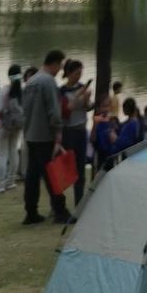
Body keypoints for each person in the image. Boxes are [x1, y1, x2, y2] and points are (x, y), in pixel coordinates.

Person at [21, 49, 70, 226]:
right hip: (44, 135)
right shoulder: (48, 82)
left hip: (30, 135)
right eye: (60, 66)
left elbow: (24, 110)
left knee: (32, 175)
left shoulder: (31, 81)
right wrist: (58, 133)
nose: (60, 70)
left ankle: (31, 211)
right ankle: (60, 211)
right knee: (52, 174)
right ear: (55, 63)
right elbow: (54, 112)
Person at [59, 60, 92, 209]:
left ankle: (79, 204)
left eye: (81, 73)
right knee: (66, 169)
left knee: (80, 168)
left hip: (81, 130)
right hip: (68, 132)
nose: (79, 76)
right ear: (69, 73)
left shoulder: (82, 87)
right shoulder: (62, 91)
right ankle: (60, 205)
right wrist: (79, 95)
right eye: (77, 73)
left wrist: (86, 101)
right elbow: (65, 112)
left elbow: (87, 108)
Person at [0, 70, 25, 194]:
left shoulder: (4, 90)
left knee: (2, 154)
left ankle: (0, 184)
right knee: (13, 151)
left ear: (8, 76)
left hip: (4, 126)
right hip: (17, 126)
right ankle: (11, 181)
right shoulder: (22, 90)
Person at [90, 102, 120, 173]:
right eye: (103, 106)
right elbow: (92, 140)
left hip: (111, 156)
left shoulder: (113, 120)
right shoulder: (97, 122)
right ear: (99, 108)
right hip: (100, 156)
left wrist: (115, 132)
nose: (105, 109)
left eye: (107, 106)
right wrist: (94, 125)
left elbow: (117, 141)